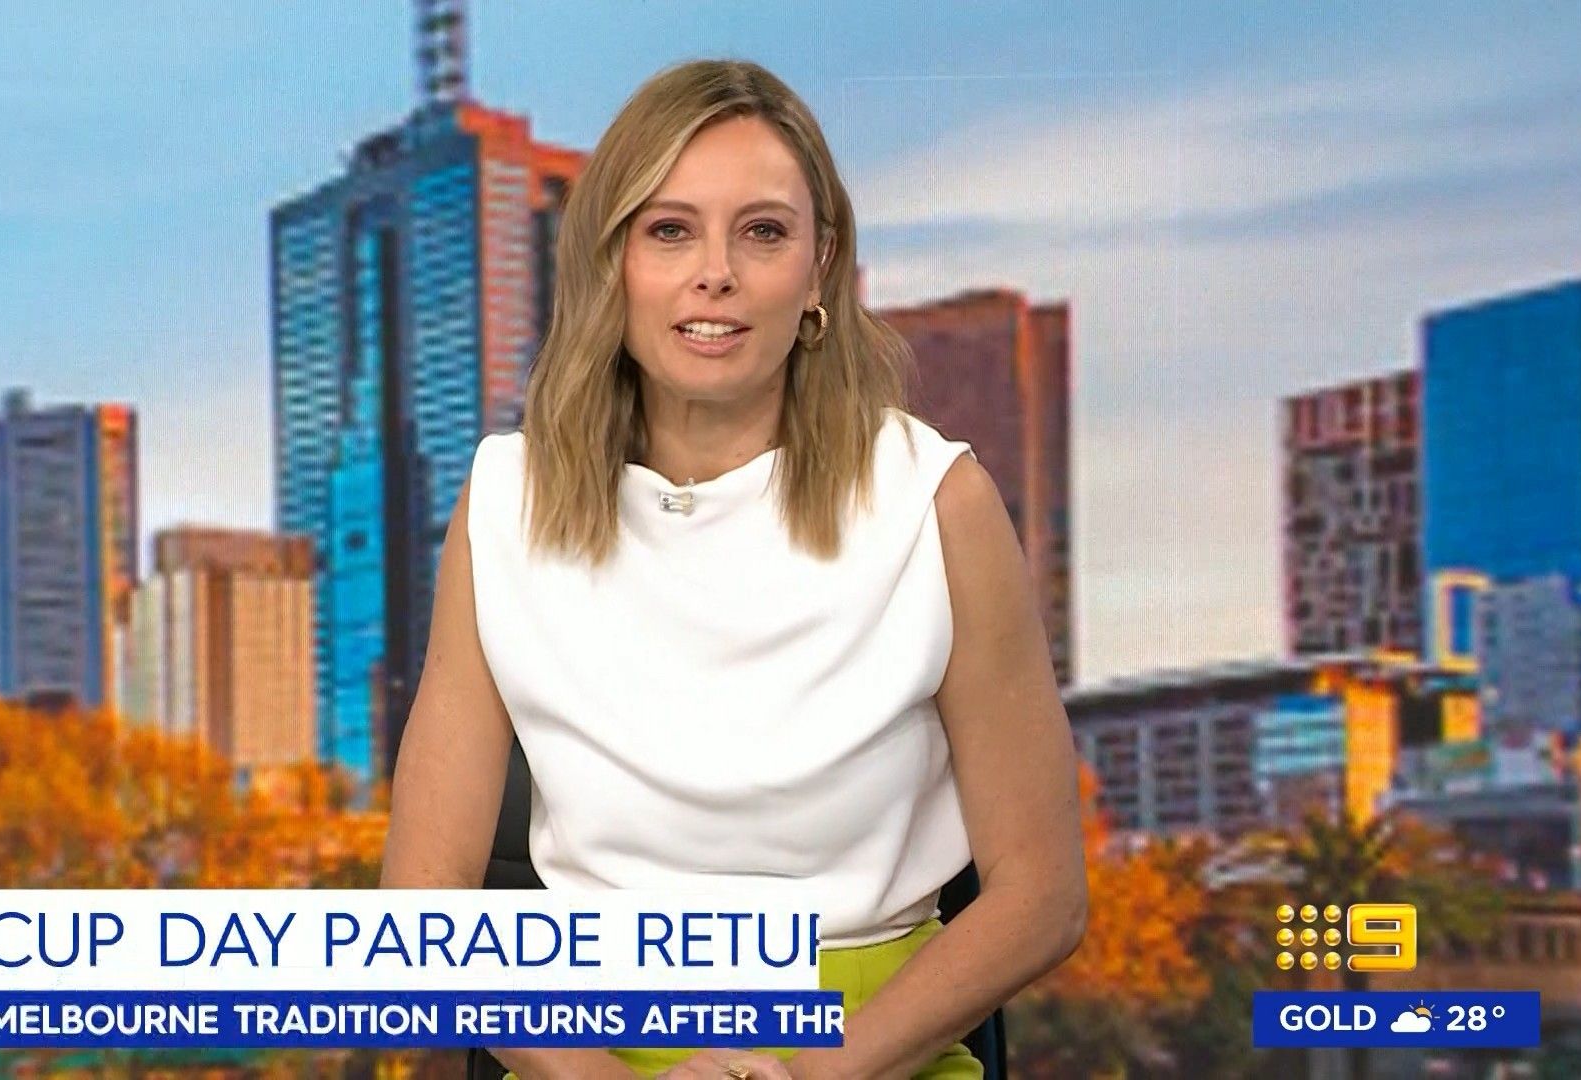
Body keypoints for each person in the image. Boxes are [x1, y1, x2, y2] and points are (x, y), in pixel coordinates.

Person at [382, 58, 1088, 1079]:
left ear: (819, 268)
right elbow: (425, 901)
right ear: (612, 261)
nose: (716, 273)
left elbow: (1042, 896)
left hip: (869, 1047)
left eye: (762, 233)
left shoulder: (938, 503)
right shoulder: (506, 501)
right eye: (670, 231)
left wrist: (814, 1074)